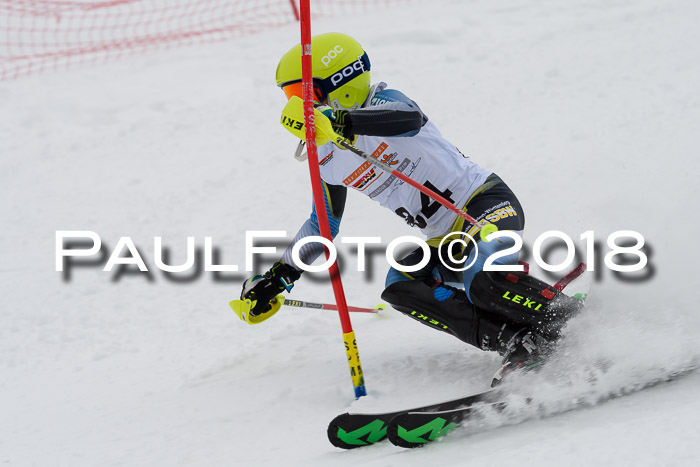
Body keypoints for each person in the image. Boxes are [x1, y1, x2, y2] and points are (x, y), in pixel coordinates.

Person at [238, 33, 582, 385]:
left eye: (302, 94)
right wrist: (280, 276)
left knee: (481, 281)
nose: (298, 104)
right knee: (399, 284)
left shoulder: (383, 101)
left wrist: (343, 123)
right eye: (291, 97)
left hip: (484, 205)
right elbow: (322, 226)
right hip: (444, 239)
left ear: (338, 82)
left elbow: (409, 119)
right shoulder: (325, 158)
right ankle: (516, 340)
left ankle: (574, 320)